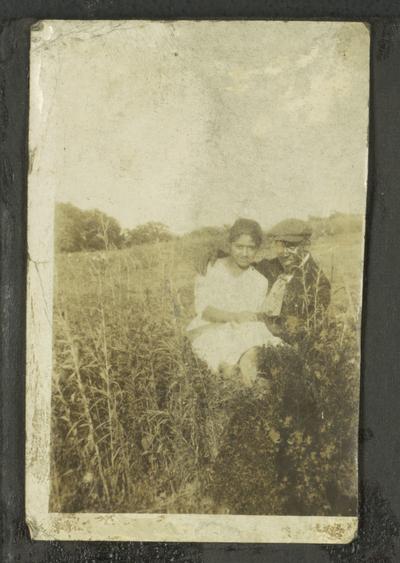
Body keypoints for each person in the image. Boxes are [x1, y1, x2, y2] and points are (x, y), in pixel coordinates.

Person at [197, 218, 331, 343]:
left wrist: (257, 322)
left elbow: (302, 328)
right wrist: (216, 254)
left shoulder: (318, 283)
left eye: (291, 246)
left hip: (281, 346)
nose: (283, 252)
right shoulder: (271, 266)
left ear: (306, 245)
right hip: (250, 335)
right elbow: (244, 261)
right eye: (279, 245)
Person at [187, 218, 282, 386]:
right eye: (239, 247)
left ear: (258, 249)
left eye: (251, 247)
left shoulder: (259, 280)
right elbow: (203, 309)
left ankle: (251, 381)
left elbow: (251, 317)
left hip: (240, 331)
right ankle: (242, 380)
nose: (245, 253)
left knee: (253, 349)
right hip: (210, 329)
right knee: (228, 368)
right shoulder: (211, 268)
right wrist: (235, 316)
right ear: (229, 245)